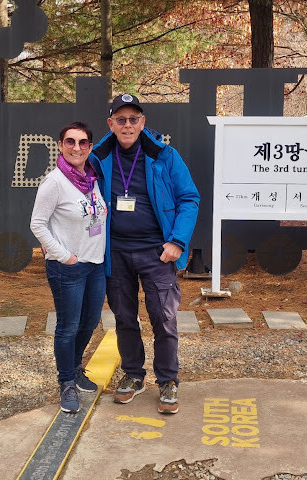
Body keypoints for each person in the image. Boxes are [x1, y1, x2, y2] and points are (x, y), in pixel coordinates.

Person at [89, 94, 199, 414]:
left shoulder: (164, 155)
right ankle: (134, 375)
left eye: (133, 119)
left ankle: (167, 379)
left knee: (163, 317)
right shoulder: (98, 158)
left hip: (156, 252)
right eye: (121, 119)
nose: (127, 125)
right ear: (111, 124)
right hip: (116, 251)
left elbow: (189, 198)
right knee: (124, 317)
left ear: (143, 122)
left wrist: (177, 241)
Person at [30, 121, 107, 414]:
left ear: (90, 147)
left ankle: (75, 368)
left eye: (83, 142)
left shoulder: (92, 177)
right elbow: (37, 224)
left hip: (95, 264)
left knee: (90, 322)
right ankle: (66, 382)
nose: (77, 147)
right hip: (68, 268)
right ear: (60, 146)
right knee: (68, 326)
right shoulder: (54, 182)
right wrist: (64, 256)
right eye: (70, 142)